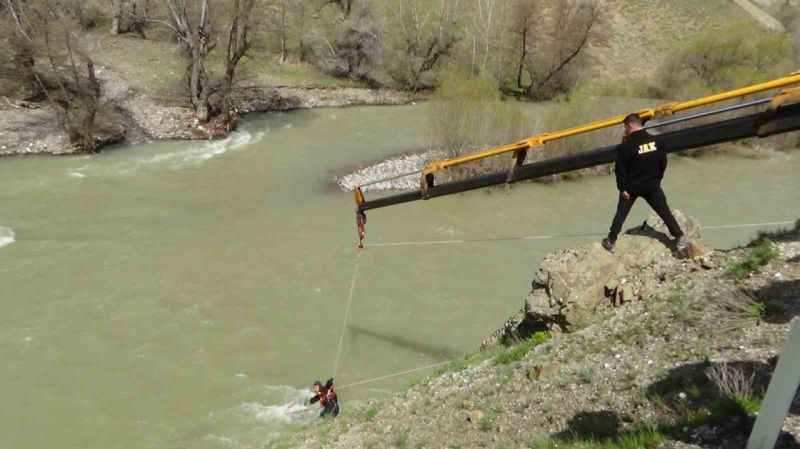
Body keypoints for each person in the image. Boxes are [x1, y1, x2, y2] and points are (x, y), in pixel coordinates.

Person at [602, 113, 689, 253]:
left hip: (631, 188)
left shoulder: (624, 147)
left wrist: (622, 188)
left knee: (621, 214)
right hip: (652, 185)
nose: (625, 130)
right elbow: (663, 163)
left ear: (629, 126)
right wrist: (657, 179)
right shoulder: (658, 142)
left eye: (625, 127)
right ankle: (680, 238)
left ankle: (611, 241)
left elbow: (620, 171)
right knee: (665, 212)